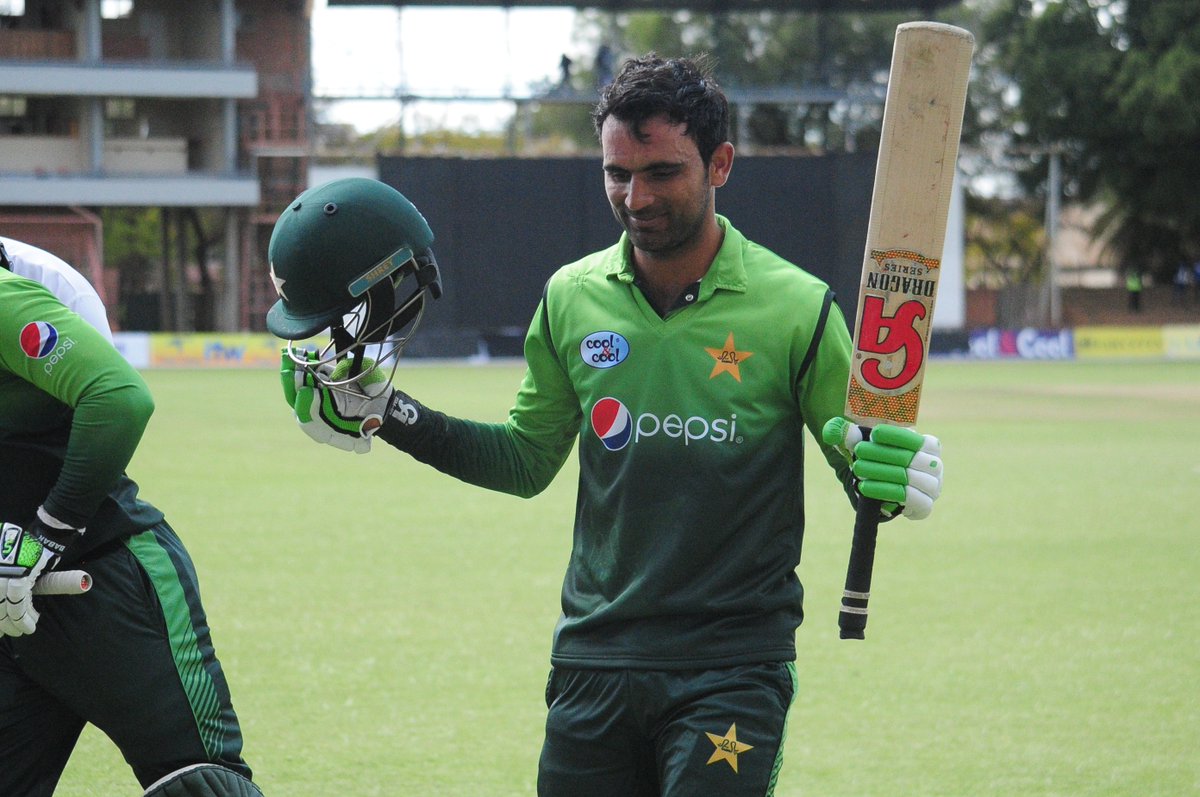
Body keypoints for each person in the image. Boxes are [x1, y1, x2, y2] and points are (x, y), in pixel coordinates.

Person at [266, 55, 944, 797]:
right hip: (595, 660)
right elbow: (524, 462)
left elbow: (861, 464)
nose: (635, 197)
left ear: (720, 164)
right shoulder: (571, 297)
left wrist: (891, 476)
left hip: (732, 666)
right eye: (617, 174)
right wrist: (391, 412)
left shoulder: (797, 307)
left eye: (662, 172)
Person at [0, 238, 262, 797]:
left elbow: (119, 398)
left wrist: (46, 534)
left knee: (198, 785)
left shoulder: (10, 294)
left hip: (107, 583)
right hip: (10, 601)